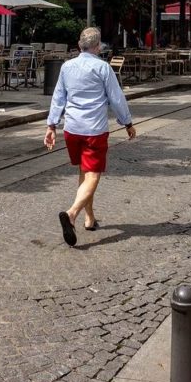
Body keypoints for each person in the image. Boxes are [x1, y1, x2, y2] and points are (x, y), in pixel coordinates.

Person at [44, 26, 136, 247]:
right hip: (94, 130)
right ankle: (73, 213)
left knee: (84, 173)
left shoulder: (67, 67)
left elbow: (59, 97)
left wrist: (51, 125)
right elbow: (116, 98)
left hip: (72, 129)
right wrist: (127, 122)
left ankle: (89, 218)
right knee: (93, 175)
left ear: (79, 45)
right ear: (98, 47)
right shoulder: (103, 68)